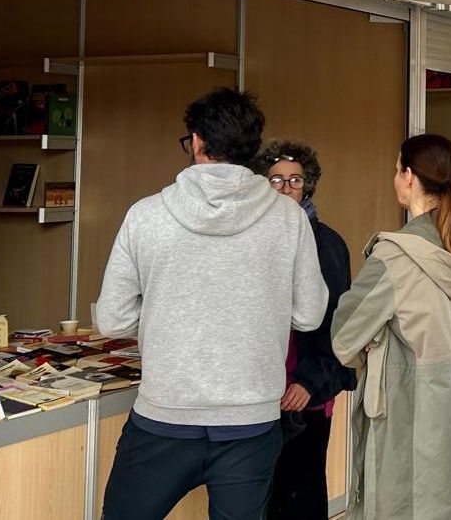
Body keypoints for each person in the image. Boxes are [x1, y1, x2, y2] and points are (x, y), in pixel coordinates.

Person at [97, 89, 326, 520]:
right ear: (253, 149)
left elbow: (113, 319)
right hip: (251, 420)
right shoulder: (289, 218)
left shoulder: (145, 215)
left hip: (165, 413)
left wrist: (168, 312)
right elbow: (309, 314)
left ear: (197, 142)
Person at [331, 134, 451, 520]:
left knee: (401, 503)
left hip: (406, 408)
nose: (394, 177)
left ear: (410, 176)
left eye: (397, 169)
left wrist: (377, 344)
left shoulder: (394, 257)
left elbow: (344, 337)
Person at [253, 141, 356, 520]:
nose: (286, 188)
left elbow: (337, 324)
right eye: (276, 180)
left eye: (295, 180)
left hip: (305, 392)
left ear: (307, 185)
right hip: (261, 393)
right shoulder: (254, 238)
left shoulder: (325, 243)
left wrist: (309, 382)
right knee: (265, 495)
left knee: (301, 493)